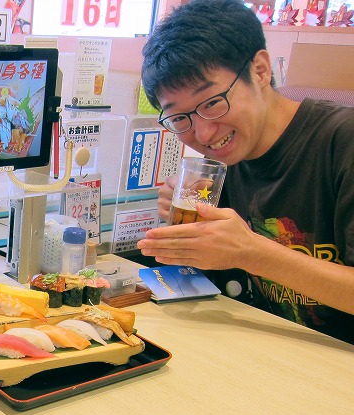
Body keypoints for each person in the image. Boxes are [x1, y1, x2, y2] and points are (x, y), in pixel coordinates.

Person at [137, 0, 354, 343]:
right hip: (271, 351)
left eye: (212, 102)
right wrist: (190, 236)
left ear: (261, 70)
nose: (205, 134)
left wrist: (252, 252)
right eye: (180, 119)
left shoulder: (342, 142)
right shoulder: (221, 167)